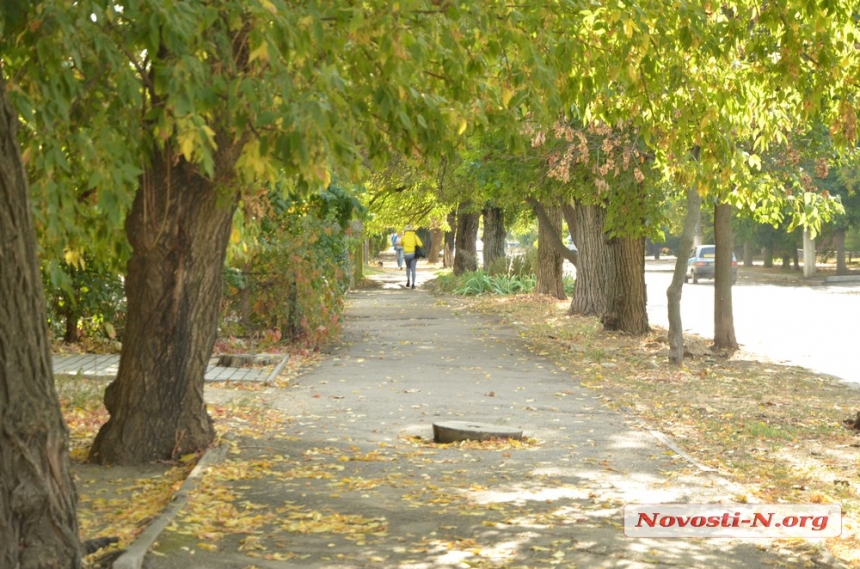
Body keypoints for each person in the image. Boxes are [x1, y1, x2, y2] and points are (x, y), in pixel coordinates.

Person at [401, 224, 423, 289]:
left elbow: (401, 243)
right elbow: (420, 244)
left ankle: (408, 280)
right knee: (413, 269)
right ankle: (413, 284)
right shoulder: (415, 236)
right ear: (412, 230)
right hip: (414, 254)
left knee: (408, 267)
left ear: (405, 230)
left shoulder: (404, 237)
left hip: (407, 254)